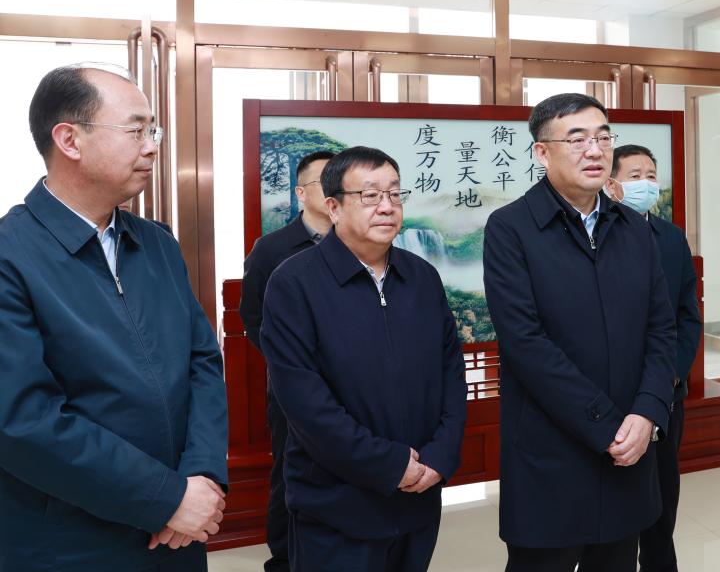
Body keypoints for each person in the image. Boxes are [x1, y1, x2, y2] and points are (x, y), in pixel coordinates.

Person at [0, 64, 228, 571]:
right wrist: (165, 497)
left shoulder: (158, 244)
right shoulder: (10, 255)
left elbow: (202, 362)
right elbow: (22, 418)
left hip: (182, 529)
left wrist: (203, 476)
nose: (151, 147)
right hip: (70, 541)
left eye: (154, 132)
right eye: (135, 130)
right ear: (69, 140)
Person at [483, 93, 677, 572]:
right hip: (551, 454)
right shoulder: (510, 229)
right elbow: (525, 343)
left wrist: (648, 412)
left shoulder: (634, 229)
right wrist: (605, 424)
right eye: (577, 139)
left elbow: (661, 328)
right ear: (542, 152)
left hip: (630, 449)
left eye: (603, 137)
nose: (595, 150)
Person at [260, 146, 467, 572]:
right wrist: (390, 464)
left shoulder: (422, 277)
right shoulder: (294, 283)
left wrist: (441, 456)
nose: (387, 207)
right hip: (337, 506)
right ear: (333, 207)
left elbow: (451, 370)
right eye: (370, 195)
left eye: (394, 194)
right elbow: (305, 404)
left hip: (418, 497)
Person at [606, 144, 701, 572]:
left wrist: (671, 376)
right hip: (612, 396)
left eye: (651, 175)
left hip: (665, 394)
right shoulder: (595, 235)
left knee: (662, 499)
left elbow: (687, 316)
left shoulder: (672, 238)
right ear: (612, 184)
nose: (646, 183)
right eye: (635, 175)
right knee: (616, 508)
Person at [239, 149, 334, 572]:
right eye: (323, 182)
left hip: (355, 385)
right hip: (292, 387)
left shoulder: (360, 242)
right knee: (289, 470)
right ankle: (284, 556)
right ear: (300, 193)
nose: (333, 190)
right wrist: (291, 365)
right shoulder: (272, 248)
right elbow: (252, 316)